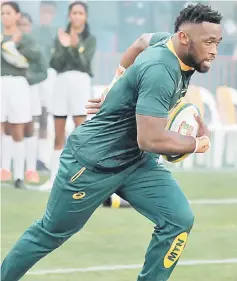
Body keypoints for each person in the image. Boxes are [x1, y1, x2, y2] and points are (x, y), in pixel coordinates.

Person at [1, 4, 222, 281]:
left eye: (217, 42)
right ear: (184, 38)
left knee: (179, 220)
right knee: (49, 233)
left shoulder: (170, 44)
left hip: (136, 162)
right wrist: (197, 143)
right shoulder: (160, 71)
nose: (214, 50)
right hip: (91, 165)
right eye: (209, 42)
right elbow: (150, 138)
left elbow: (141, 40)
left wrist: (115, 82)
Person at [39, 1, 96, 191]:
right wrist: (64, 46)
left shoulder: (90, 39)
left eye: (80, 13)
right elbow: (56, 62)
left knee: (81, 132)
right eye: (74, 13)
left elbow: (84, 62)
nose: (77, 16)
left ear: (85, 17)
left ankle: (83, 178)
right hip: (61, 82)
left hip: (80, 82)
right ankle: (53, 178)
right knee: (58, 131)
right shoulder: (60, 36)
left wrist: (74, 45)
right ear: (69, 16)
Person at [0, 1, 41, 188]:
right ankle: (3, 169)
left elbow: (33, 59)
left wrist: (13, 46)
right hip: (1, 81)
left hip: (18, 83)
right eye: (2, 13)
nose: (5, 17)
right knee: (1, 126)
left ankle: (18, 175)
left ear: (17, 16)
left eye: (8, 13)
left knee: (18, 128)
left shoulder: (25, 38)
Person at [18, 12, 48, 183]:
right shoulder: (7, 43)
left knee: (30, 129)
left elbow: (42, 72)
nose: (23, 28)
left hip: (31, 92)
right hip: (9, 90)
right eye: (20, 24)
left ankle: (30, 168)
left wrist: (28, 79)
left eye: (26, 25)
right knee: (7, 128)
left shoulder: (35, 47)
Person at [32, 1, 57, 171]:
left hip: (50, 75)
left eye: (49, 12)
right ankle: (32, 157)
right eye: (43, 12)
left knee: (47, 117)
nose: (45, 15)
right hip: (33, 77)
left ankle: (44, 157)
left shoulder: (57, 33)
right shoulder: (33, 32)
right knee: (33, 116)